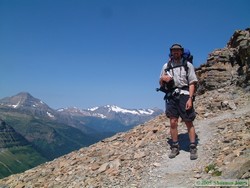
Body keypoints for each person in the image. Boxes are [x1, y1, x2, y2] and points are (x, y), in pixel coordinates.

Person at [159, 43, 198, 160]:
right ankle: (175, 146)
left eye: (177, 50)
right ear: (171, 52)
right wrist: (163, 79)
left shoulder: (188, 65)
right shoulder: (166, 66)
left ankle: (192, 146)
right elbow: (160, 83)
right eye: (173, 50)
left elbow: (192, 83)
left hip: (185, 95)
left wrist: (190, 99)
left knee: (188, 121)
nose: (175, 52)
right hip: (171, 96)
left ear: (181, 52)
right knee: (173, 122)